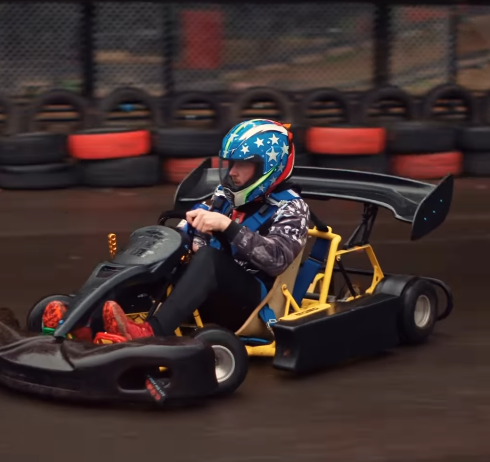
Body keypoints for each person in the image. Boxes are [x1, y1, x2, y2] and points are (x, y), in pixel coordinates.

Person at [42, 119, 310, 342]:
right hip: (207, 290)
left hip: (251, 304)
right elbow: (190, 234)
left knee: (209, 259)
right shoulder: (225, 195)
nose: (233, 173)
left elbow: (276, 259)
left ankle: (152, 332)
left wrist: (226, 226)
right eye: (231, 164)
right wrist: (185, 236)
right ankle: (87, 319)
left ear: (268, 167)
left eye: (242, 165)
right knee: (163, 251)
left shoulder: (292, 207)